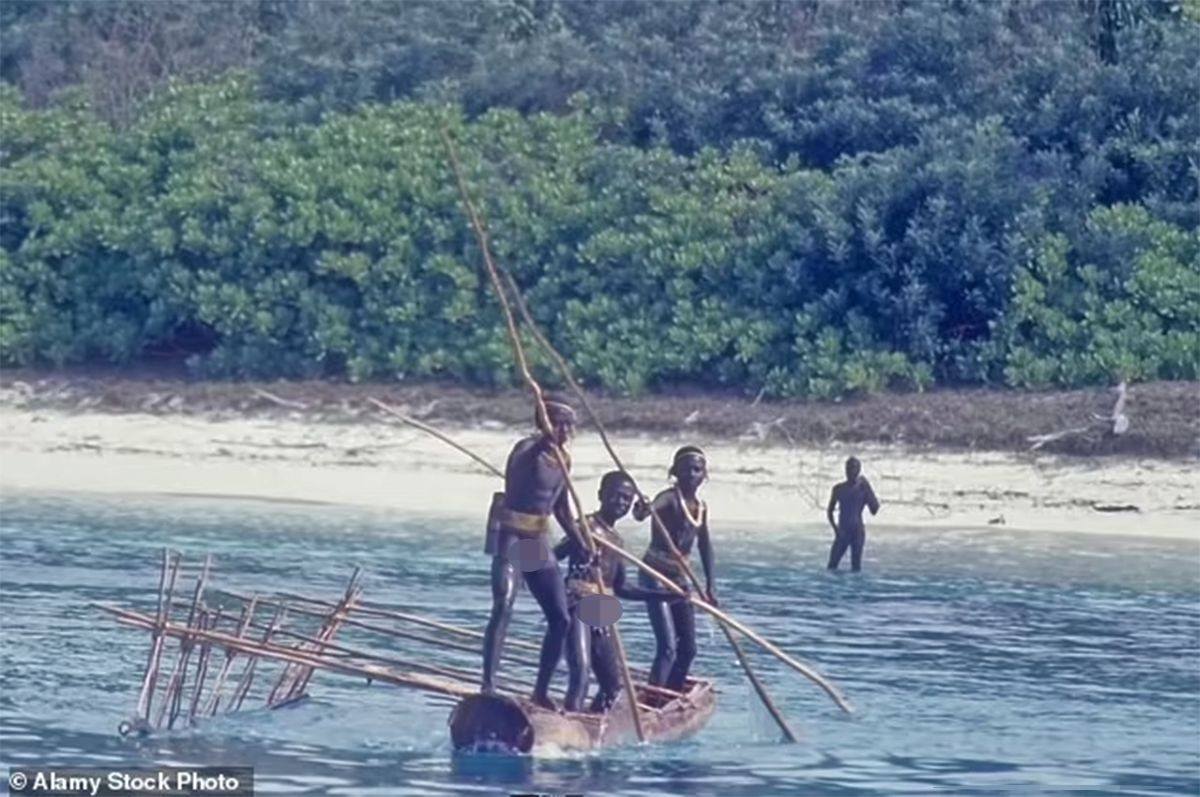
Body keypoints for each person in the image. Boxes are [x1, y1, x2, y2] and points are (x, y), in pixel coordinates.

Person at [481, 392, 591, 709]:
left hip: (536, 541)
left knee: (560, 618)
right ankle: (488, 684)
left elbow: (562, 511)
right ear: (543, 422)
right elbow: (529, 457)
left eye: (568, 425)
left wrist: (583, 544)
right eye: (556, 423)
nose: (563, 431)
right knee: (504, 603)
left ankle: (540, 691)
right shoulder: (525, 450)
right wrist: (544, 434)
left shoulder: (564, 461)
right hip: (511, 536)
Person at [553, 471, 677, 713]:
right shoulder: (584, 528)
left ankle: (593, 725)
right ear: (601, 495)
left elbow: (622, 588)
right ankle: (572, 721)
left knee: (612, 686)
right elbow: (554, 555)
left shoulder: (616, 541)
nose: (621, 503)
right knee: (581, 671)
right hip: (577, 605)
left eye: (627, 499)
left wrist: (666, 596)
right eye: (616, 496)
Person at [632, 446, 717, 690]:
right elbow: (644, 513)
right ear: (675, 473)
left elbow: (705, 546)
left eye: (697, 470)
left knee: (688, 649)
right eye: (686, 469)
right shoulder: (669, 498)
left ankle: (670, 692)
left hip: (680, 578)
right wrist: (643, 508)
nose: (691, 474)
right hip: (655, 574)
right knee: (668, 646)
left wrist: (710, 587)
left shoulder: (701, 508)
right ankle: (653, 699)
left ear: (704, 475)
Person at [826, 456, 881, 572]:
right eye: (848, 469)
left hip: (857, 532)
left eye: (852, 469)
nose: (850, 472)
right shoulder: (838, 489)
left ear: (858, 471)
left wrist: (868, 489)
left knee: (856, 567)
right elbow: (830, 511)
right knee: (831, 566)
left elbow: (874, 510)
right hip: (843, 532)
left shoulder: (862, 488)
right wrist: (835, 529)